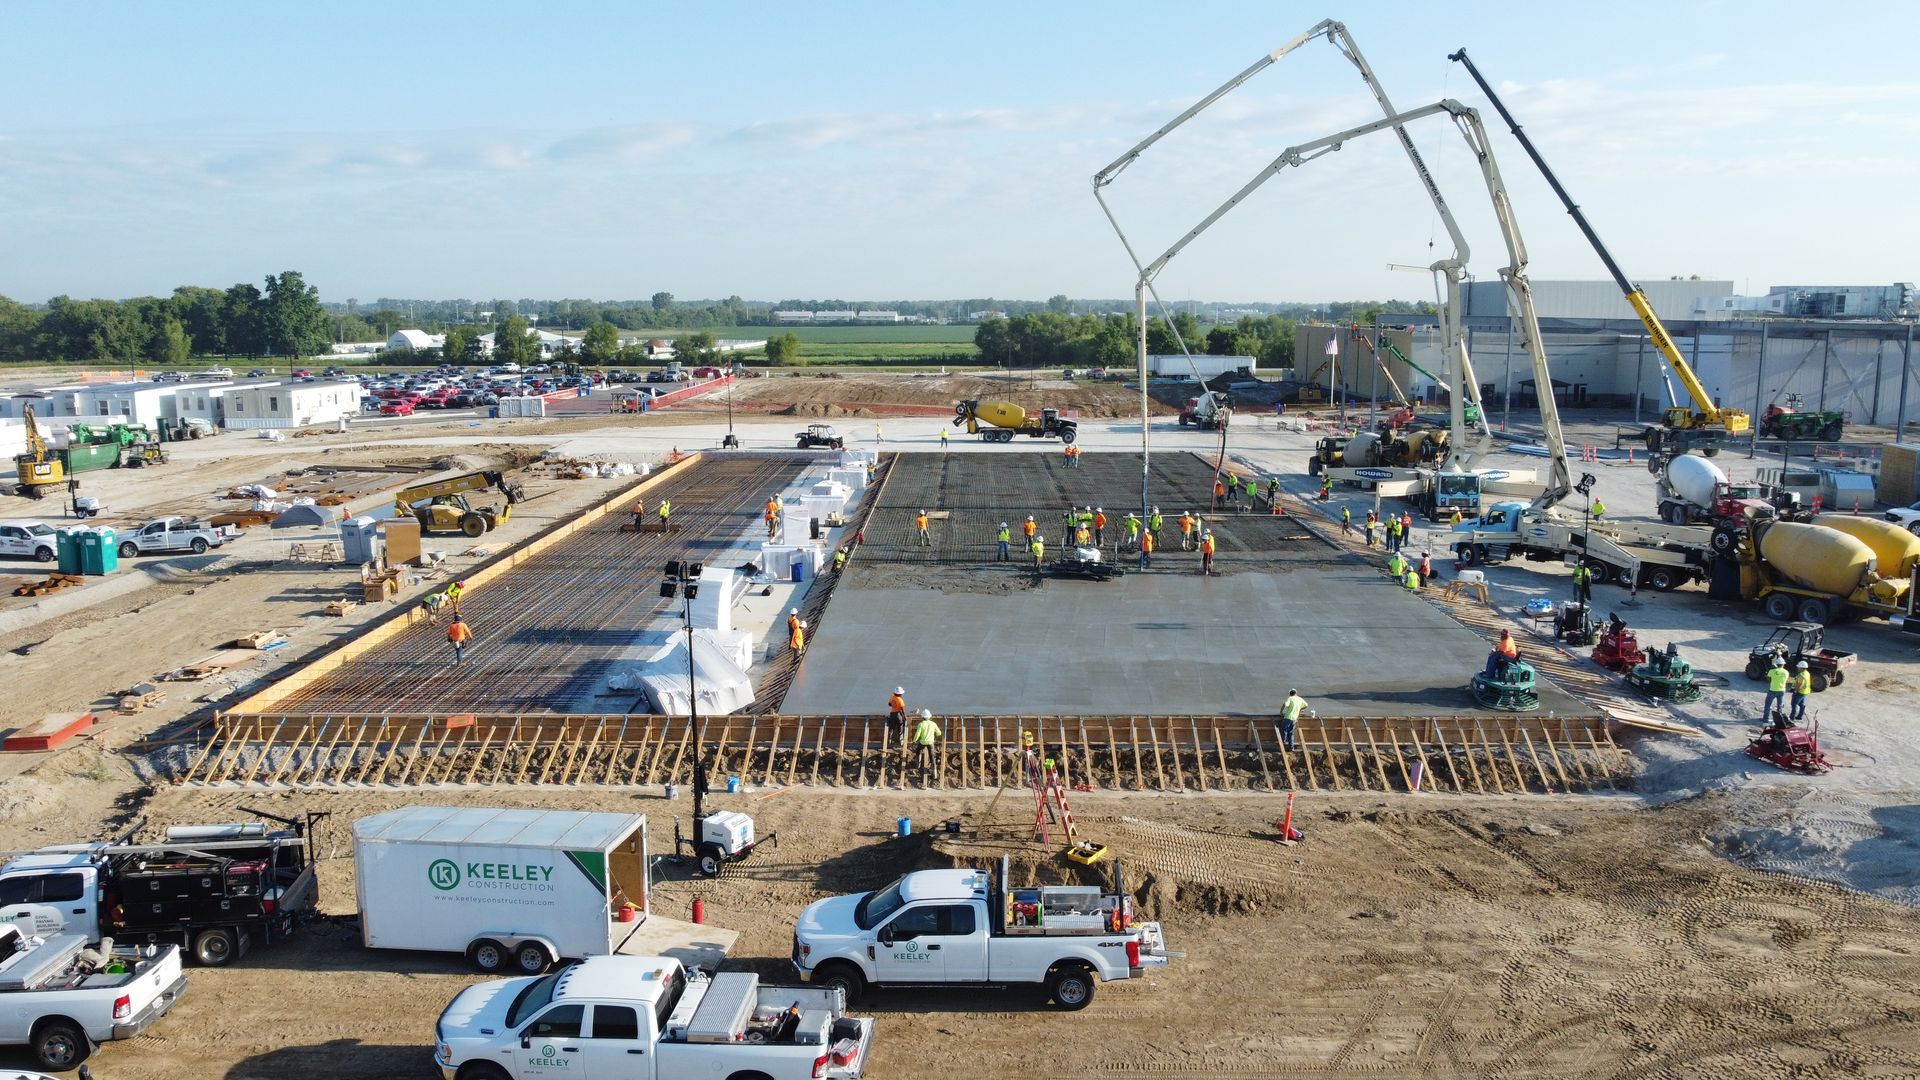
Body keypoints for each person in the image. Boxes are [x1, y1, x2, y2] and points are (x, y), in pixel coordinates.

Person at [911, 709, 941, 775]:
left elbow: (917, 734)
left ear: (923, 717)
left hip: (922, 742)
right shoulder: (933, 724)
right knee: (932, 756)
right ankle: (934, 772)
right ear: (930, 716)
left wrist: (914, 741)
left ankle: (918, 765)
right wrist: (934, 735)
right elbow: (939, 733)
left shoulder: (921, 724)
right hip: (931, 742)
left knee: (918, 750)